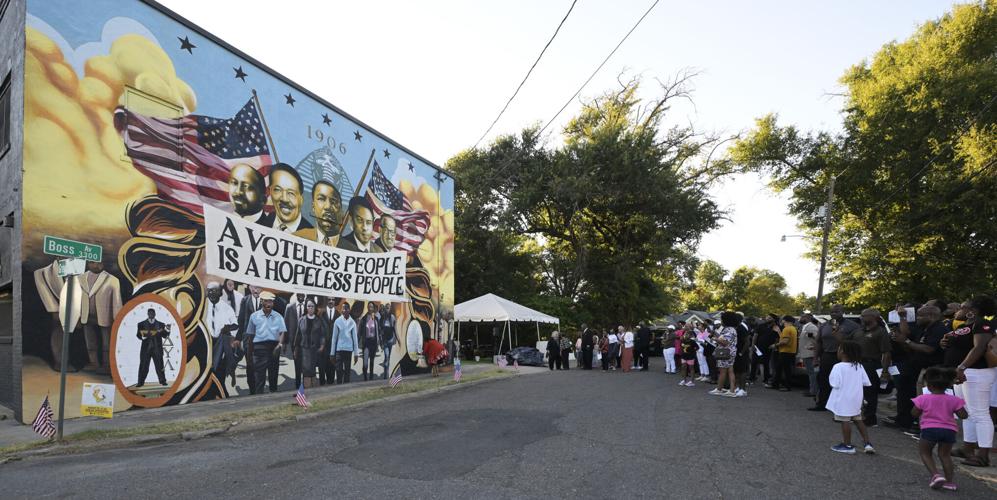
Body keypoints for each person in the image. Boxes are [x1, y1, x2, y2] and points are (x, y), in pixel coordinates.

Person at [942, 295, 997, 467]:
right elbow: (962, 344)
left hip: (975, 373)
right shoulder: (968, 325)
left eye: (963, 306)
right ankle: (968, 448)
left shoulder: (983, 324)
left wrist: (962, 367)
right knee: (966, 412)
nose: (959, 309)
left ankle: (983, 455)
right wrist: (946, 341)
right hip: (964, 373)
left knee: (980, 414)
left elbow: (980, 347)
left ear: (973, 311)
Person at [884, 305, 946, 434]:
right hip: (916, 367)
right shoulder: (924, 329)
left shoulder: (939, 329)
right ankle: (905, 420)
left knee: (926, 399)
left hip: (931, 369)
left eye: (920, 316)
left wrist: (906, 341)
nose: (917, 318)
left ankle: (924, 425)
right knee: (906, 393)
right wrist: (902, 341)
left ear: (931, 316)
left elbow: (929, 349)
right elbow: (912, 344)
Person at [912, 367, 968, 491]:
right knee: (945, 455)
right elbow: (963, 415)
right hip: (949, 431)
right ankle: (949, 482)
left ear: (929, 387)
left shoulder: (923, 398)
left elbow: (914, 413)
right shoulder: (954, 400)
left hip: (929, 429)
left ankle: (936, 475)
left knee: (925, 452)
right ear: (948, 385)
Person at [827, 340, 876, 455]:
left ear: (843, 352)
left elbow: (835, 383)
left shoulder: (838, 367)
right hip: (856, 399)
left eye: (838, 349)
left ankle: (847, 445)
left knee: (845, 421)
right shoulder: (859, 366)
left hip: (843, 399)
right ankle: (867, 443)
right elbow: (866, 382)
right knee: (858, 420)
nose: (837, 352)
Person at [848, 308, 892, 427]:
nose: (861, 318)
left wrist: (885, 370)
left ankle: (870, 419)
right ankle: (856, 414)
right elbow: (846, 343)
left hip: (871, 364)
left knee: (870, 393)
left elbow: (886, 353)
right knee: (856, 391)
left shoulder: (880, 332)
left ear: (873, 317)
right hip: (856, 364)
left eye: (864, 315)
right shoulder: (858, 331)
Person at [811, 304, 859, 411]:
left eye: (836, 311)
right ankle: (822, 404)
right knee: (823, 380)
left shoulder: (852, 326)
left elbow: (855, 343)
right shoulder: (824, 325)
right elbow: (818, 342)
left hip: (844, 358)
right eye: (832, 312)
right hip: (827, 356)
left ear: (843, 312)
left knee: (842, 383)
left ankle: (840, 406)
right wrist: (815, 358)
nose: (833, 314)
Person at [79, 260, 122, 374]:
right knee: (90, 341)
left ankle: (107, 365)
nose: (96, 265)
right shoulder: (80, 278)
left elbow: (117, 301)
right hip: (86, 315)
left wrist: (117, 318)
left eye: (99, 263)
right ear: (88, 264)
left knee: (106, 342)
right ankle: (94, 363)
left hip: (105, 316)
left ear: (103, 264)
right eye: (92, 262)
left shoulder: (112, 280)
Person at [244, 291, 287, 394]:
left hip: (274, 348)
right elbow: (251, 336)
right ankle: (258, 403)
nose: (269, 304)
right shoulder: (254, 316)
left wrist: (280, 345)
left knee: (273, 377)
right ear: (261, 302)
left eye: (271, 301)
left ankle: (273, 403)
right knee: (259, 379)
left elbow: (282, 332)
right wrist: (249, 354)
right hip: (259, 348)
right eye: (266, 301)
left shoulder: (278, 316)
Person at [259, 163, 313, 232]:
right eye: (277, 190)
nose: (284, 199)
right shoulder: (260, 224)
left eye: (291, 193)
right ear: (270, 191)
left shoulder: (312, 237)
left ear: (301, 200)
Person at [205, 282, 238, 388]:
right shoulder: (202, 306)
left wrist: (227, 328)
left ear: (220, 293)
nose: (212, 293)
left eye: (215, 290)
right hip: (206, 343)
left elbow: (235, 325)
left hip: (221, 343)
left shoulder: (226, 308)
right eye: (210, 290)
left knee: (219, 373)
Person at [294, 180, 342, 246]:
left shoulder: (353, 250)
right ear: (313, 206)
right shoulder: (296, 238)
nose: (328, 206)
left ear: (340, 209)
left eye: (333, 201)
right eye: (321, 199)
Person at [294, 300, 327, 389]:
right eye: (308, 306)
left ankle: (314, 391)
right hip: (304, 349)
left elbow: (322, 335)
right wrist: (296, 349)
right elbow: (298, 335)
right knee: (306, 372)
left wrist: (322, 345)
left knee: (313, 371)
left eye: (312, 306)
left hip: (315, 349)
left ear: (315, 308)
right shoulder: (301, 319)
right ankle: (307, 390)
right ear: (306, 308)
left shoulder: (318, 320)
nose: (310, 308)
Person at [135, 308, 169, 387]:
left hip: (157, 349)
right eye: (149, 313)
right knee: (143, 366)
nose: (151, 315)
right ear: (147, 314)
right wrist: (143, 337)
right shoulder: (141, 324)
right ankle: (140, 382)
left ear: (155, 314)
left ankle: (163, 381)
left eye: (152, 313)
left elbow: (165, 336)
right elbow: (138, 335)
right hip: (146, 349)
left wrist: (167, 330)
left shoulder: (161, 324)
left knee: (160, 365)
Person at [709, 312, 739, 396]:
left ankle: (719, 389)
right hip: (730, 352)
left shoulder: (729, 329)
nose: (721, 321)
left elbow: (725, 342)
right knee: (730, 371)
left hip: (725, 353)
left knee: (722, 371)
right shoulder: (732, 329)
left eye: (722, 319)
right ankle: (732, 390)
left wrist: (715, 339)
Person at [331, 302, 359, 384]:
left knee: (347, 371)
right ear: (341, 310)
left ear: (349, 310)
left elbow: (355, 339)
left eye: (346, 308)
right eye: (343, 308)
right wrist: (332, 353)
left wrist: (356, 354)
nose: (344, 310)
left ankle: (346, 389)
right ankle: (339, 388)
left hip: (348, 350)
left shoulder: (352, 322)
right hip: (339, 350)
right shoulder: (337, 321)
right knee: (339, 370)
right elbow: (334, 338)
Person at [768, 315, 798, 392]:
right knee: (781, 368)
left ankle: (786, 386)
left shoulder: (787, 329)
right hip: (791, 351)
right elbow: (785, 338)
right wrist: (779, 332)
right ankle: (776, 384)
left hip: (785, 352)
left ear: (785, 321)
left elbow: (785, 341)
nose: (781, 322)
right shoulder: (793, 329)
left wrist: (775, 345)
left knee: (784, 369)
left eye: (782, 320)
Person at [284, 293, 307, 388]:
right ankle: (298, 385)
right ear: (297, 294)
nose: (301, 295)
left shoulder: (308, 306)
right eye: (299, 294)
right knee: (297, 363)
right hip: (294, 341)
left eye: (303, 294)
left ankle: (306, 384)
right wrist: (285, 342)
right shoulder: (289, 307)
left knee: (306, 363)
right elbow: (285, 325)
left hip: (306, 341)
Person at [358, 302, 382, 381]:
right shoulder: (364, 318)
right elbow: (360, 332)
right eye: (369, 307)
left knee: (372, 361)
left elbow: (379, 330)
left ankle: (371, 378)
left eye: (371, 307)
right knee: (365, 363)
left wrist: (380, 342)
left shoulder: (376, 319)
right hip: (366, 343)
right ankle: (365, 378)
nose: (370, 308)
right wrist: (357, 342)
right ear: (367, 308)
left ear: (373, 308)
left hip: (373, 342)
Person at [798, 313, 819, 398]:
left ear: (807, 318)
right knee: (811, 373)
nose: (800, 318)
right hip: (806, 353)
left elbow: (816, 338)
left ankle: (813, 391)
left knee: (812, 373)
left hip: (810, 353)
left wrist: (812, 347)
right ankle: (812, 390)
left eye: (802, 317)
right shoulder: (806, 326)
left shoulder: (812, 327)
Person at [379, 304, 397, 379]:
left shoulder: (392, 317)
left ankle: (387, 372)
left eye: (388, 308)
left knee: (388, 356)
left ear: (390, 309)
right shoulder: (382, 318)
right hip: (385, 341)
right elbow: (380, 331)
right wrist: (381, 342)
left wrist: (397, 339)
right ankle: (386, 375)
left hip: (390, 340)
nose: (387, 310)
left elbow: (394, 329)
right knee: (386, 356)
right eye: (386, 308)